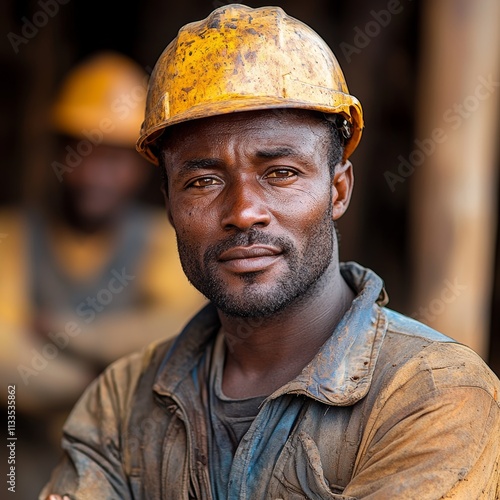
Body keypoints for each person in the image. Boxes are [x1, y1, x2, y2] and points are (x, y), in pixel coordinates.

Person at [41, 5, 500, 499]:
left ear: (339, 190)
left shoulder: (434, 394)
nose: (243, 211)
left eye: (280, 173)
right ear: (169, 206)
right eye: (203, 181)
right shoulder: (119, 402)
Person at [0, 50, 205, 498]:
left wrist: (67, 333)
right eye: (81, 153)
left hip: (125, 470)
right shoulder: (10, 236)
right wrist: (111, 377)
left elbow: (182, 333)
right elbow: (6, 362)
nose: (94, 174)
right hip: (19, 459)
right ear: (57, 152)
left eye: (113, 159)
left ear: (140, 166)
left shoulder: (161, 240)